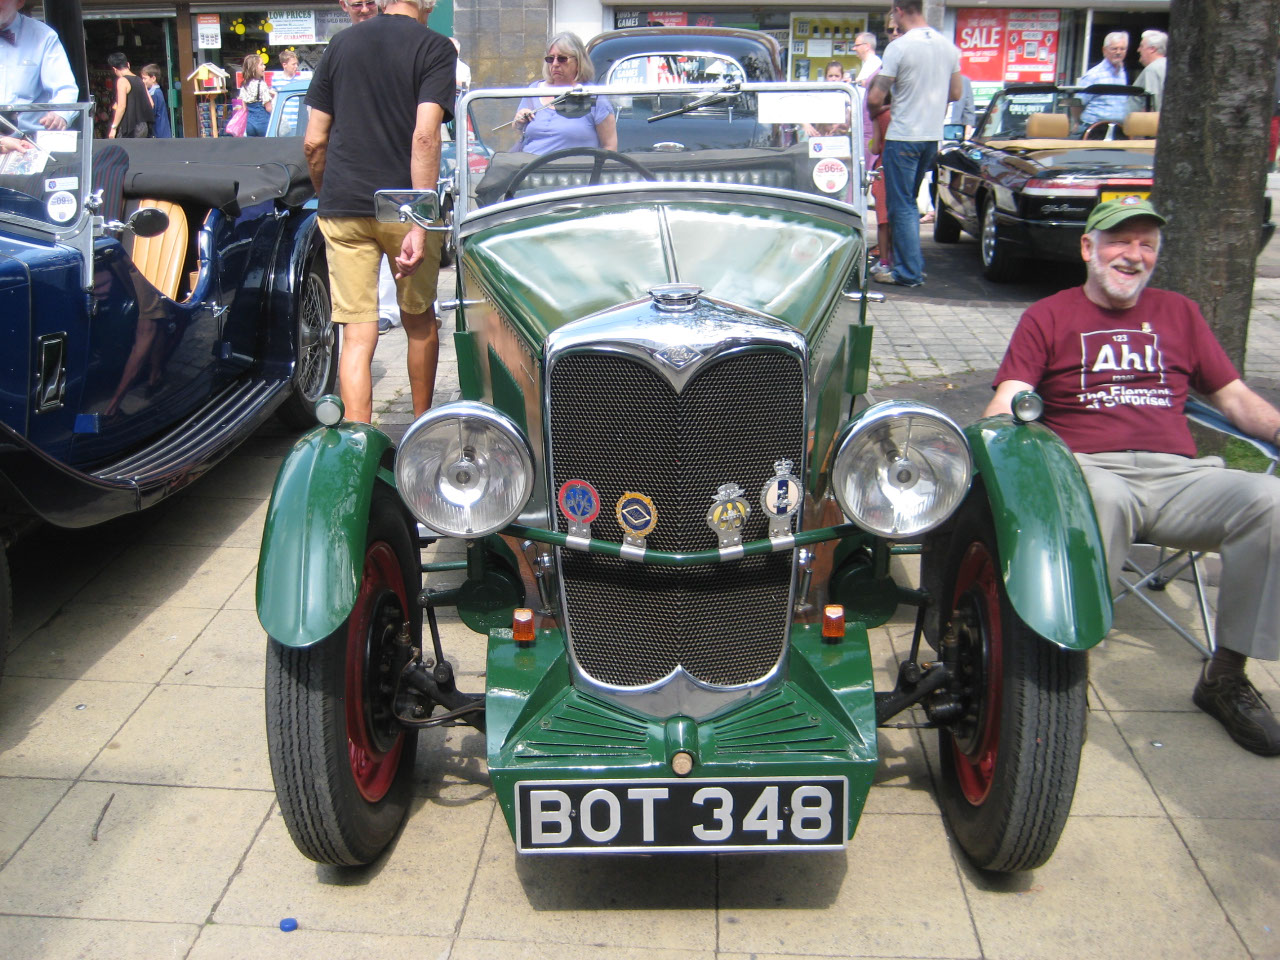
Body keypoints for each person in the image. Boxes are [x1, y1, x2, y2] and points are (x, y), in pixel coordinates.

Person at [984, 197, 1280, 757]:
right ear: (1088, 248)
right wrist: (987, 440)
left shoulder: (1180, 314)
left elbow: (1235, 399)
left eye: (1147, 244)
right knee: (1100, 498)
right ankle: (1063, 678)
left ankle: (1225, 676)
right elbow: (1013, 394)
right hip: (1090, 469)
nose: (1134, 255)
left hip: (1178, 475)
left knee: (1271, 499)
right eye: (1121, 241)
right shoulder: (1048, 315)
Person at [304, 0, 456, 422]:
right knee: (419, 322)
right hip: (404, 207)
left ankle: (358, 442)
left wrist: (326, 195)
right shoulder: (435, 48)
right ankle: (420, 428)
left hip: (343, 205)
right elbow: (425, 137)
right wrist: (422, 219)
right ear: (426, 2)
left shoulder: (340, 44)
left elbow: (314, 141)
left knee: (356, 332)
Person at [866, 0, 961, 288]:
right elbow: (955, 91)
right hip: (930, 138)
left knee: (902, 206)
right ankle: (912, 266)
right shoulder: (948, 47)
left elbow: (874, 97)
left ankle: (907, 272)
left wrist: (874, 116)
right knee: (909, 202)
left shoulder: (900, 47)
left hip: (903, 135)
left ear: (898, 10)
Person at [512, 32, 616, 155]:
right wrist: (519, 121)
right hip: (530, 170)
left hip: (573, 171)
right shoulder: (534, 90)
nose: (555, 64)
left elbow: (610, 145)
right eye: (550, 59)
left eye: (562, 59)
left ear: (578, 62)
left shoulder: (593, 95)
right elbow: (519, 130)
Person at [0, 0, 77, 131]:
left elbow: (64, 88)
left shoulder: (43, 36)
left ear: (19, 2)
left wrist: (59, 115)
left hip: (29, 142)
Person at [1076, 31, 1131, 128]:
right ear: (1104, 50)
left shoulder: (1122, 73)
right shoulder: (1093, 75)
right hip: (1093, 129)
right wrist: (1078, 123)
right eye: (1114, 49)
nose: (1118, 52)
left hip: (1118, 129)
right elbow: (1076, 104)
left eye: (1122, 49)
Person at [107, 52, 153, 138]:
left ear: (114, 69)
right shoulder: (140, 81)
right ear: (128, 64)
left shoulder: (122, 81)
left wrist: (113, 128)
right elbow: (151, 103)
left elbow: (121, 106)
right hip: (143, 126)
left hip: (129, 127)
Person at [239, 54, 274, 137]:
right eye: (261, 65)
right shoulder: (261, 84)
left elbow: (244, 108)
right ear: (254, 68)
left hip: (250, 123)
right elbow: (268, 108)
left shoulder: (244, 85)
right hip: (263, 122)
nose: (264, 67)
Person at [1134, 29, 1167, 112]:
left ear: (1152, 49)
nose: (1138, 50)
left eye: (1141, 46)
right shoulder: (1168, 65)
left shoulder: (1152, 69)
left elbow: (1151, 103)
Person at [140, 65, 171, 138]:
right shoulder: (157, 92)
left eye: (145, 78)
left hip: (158, 132)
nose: (143, 81)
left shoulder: (155, 94)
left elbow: (150, 113)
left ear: (153, 78)